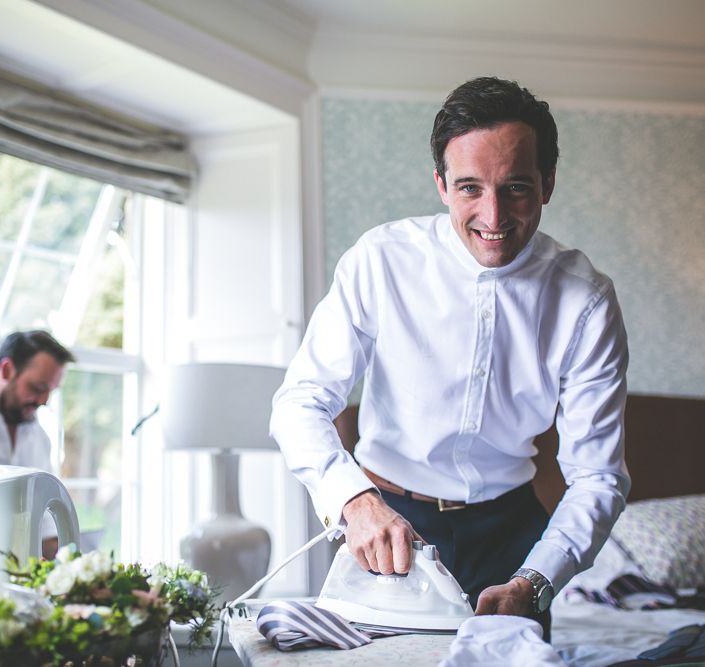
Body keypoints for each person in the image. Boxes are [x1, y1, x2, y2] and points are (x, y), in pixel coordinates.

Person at [270, 76, 629, 638]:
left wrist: (537, 580)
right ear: (440, 184)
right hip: (386, 520)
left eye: (515, 187)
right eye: (469, 188)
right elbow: (300, 403)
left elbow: (597, 477)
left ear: (548, 183)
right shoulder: (380, 261)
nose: (493, 215)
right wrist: (354, 501)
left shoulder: (586, 300)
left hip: (514, 537)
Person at [0, 329, 75, 558]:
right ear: (7, 370)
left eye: (50, 391)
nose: (43, 401)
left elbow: (47, 526)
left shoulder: (40, 438)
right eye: (38, 388)